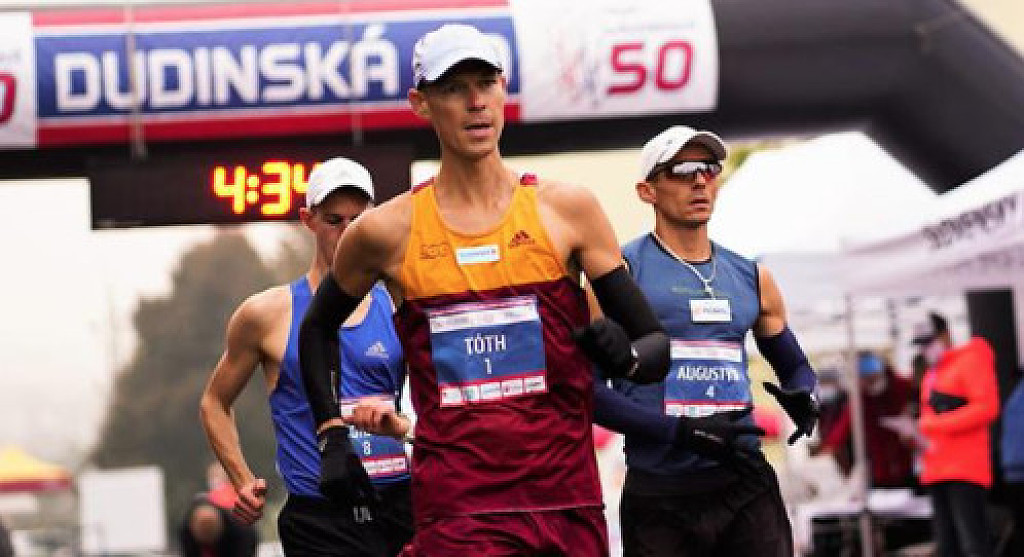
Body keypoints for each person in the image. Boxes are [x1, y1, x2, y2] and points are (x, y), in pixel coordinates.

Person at [298, 23, 670, 556]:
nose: (475, 103)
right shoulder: (386, 231)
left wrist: (627, 358)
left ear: (503, 89)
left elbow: (655, 346)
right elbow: (316, 328)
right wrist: (331, 434)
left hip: (566, 505)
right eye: (454, 88)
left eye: (486, 83)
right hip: (459, 511)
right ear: (420, 104)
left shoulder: (568, 210)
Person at [591, 125, 820, 557]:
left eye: (709, 169)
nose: (699, 181)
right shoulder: (619, 274)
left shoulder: (752, 276)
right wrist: (678, 432)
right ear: (647, 191)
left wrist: (805, 395)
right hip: (661, 492)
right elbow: (588, 392)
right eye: (682, 171)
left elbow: (795, 367)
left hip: (744, 482)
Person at [199, 157, 413, 556]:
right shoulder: (267, 314)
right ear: (308, 220)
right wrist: (242, 480)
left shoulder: (399, 302)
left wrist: (403, 427)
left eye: (358, 221)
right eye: (334, 221)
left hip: (397, 506)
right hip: (319, 518)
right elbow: (214, 402)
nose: (347, 233)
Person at [914, 311, 999, 557]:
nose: (925, 349)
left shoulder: (970, 360)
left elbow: (987, 407)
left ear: (945, 335)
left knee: (973, 545)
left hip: (965, 469)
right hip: (936, 468)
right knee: (947, 545)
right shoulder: (932, 373)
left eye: (929, 342)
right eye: (921, 344)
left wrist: (935, 424)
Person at [816, 351, 917, 488]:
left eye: (871, 379)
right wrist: (828, 444)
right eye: (863, 380)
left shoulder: (902, 386)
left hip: (909, 466)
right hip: (879, 471)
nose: (867, 383)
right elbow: (842, 428)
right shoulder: (860, 398)